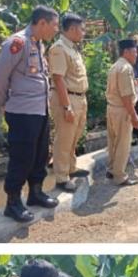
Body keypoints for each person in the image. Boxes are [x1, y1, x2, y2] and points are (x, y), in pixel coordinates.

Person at [0, 5, 61, 222]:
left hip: (40, 111)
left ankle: (35, 193)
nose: (55, 30)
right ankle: (12, 203)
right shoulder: (17, 43)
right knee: (22, 158)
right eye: (54, 25)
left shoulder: (38, 43)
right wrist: (2, 103)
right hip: (22, 112)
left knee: (40, 154)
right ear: (41, 23)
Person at [48, 12, 89, 193]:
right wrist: (67, 106)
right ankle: (62, 177)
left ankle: (71, 167)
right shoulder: (59, 48)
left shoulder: (71, 47)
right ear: (72, 29)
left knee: (74, 136)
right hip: (67, 99)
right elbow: (58, 79)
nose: (83, 32)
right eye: (82, 29)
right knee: (64, 138)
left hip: (79, 97)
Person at [105, 39, 138, 186]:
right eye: (134, 52)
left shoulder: (116, 66)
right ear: (126, 52)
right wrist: (134, 115)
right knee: (123, 144)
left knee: (113, 141)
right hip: (122, 110)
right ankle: (119, 176)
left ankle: (112, 169)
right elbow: (126, 95)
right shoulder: (126, 68)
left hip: (112, 108)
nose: (136, 55)